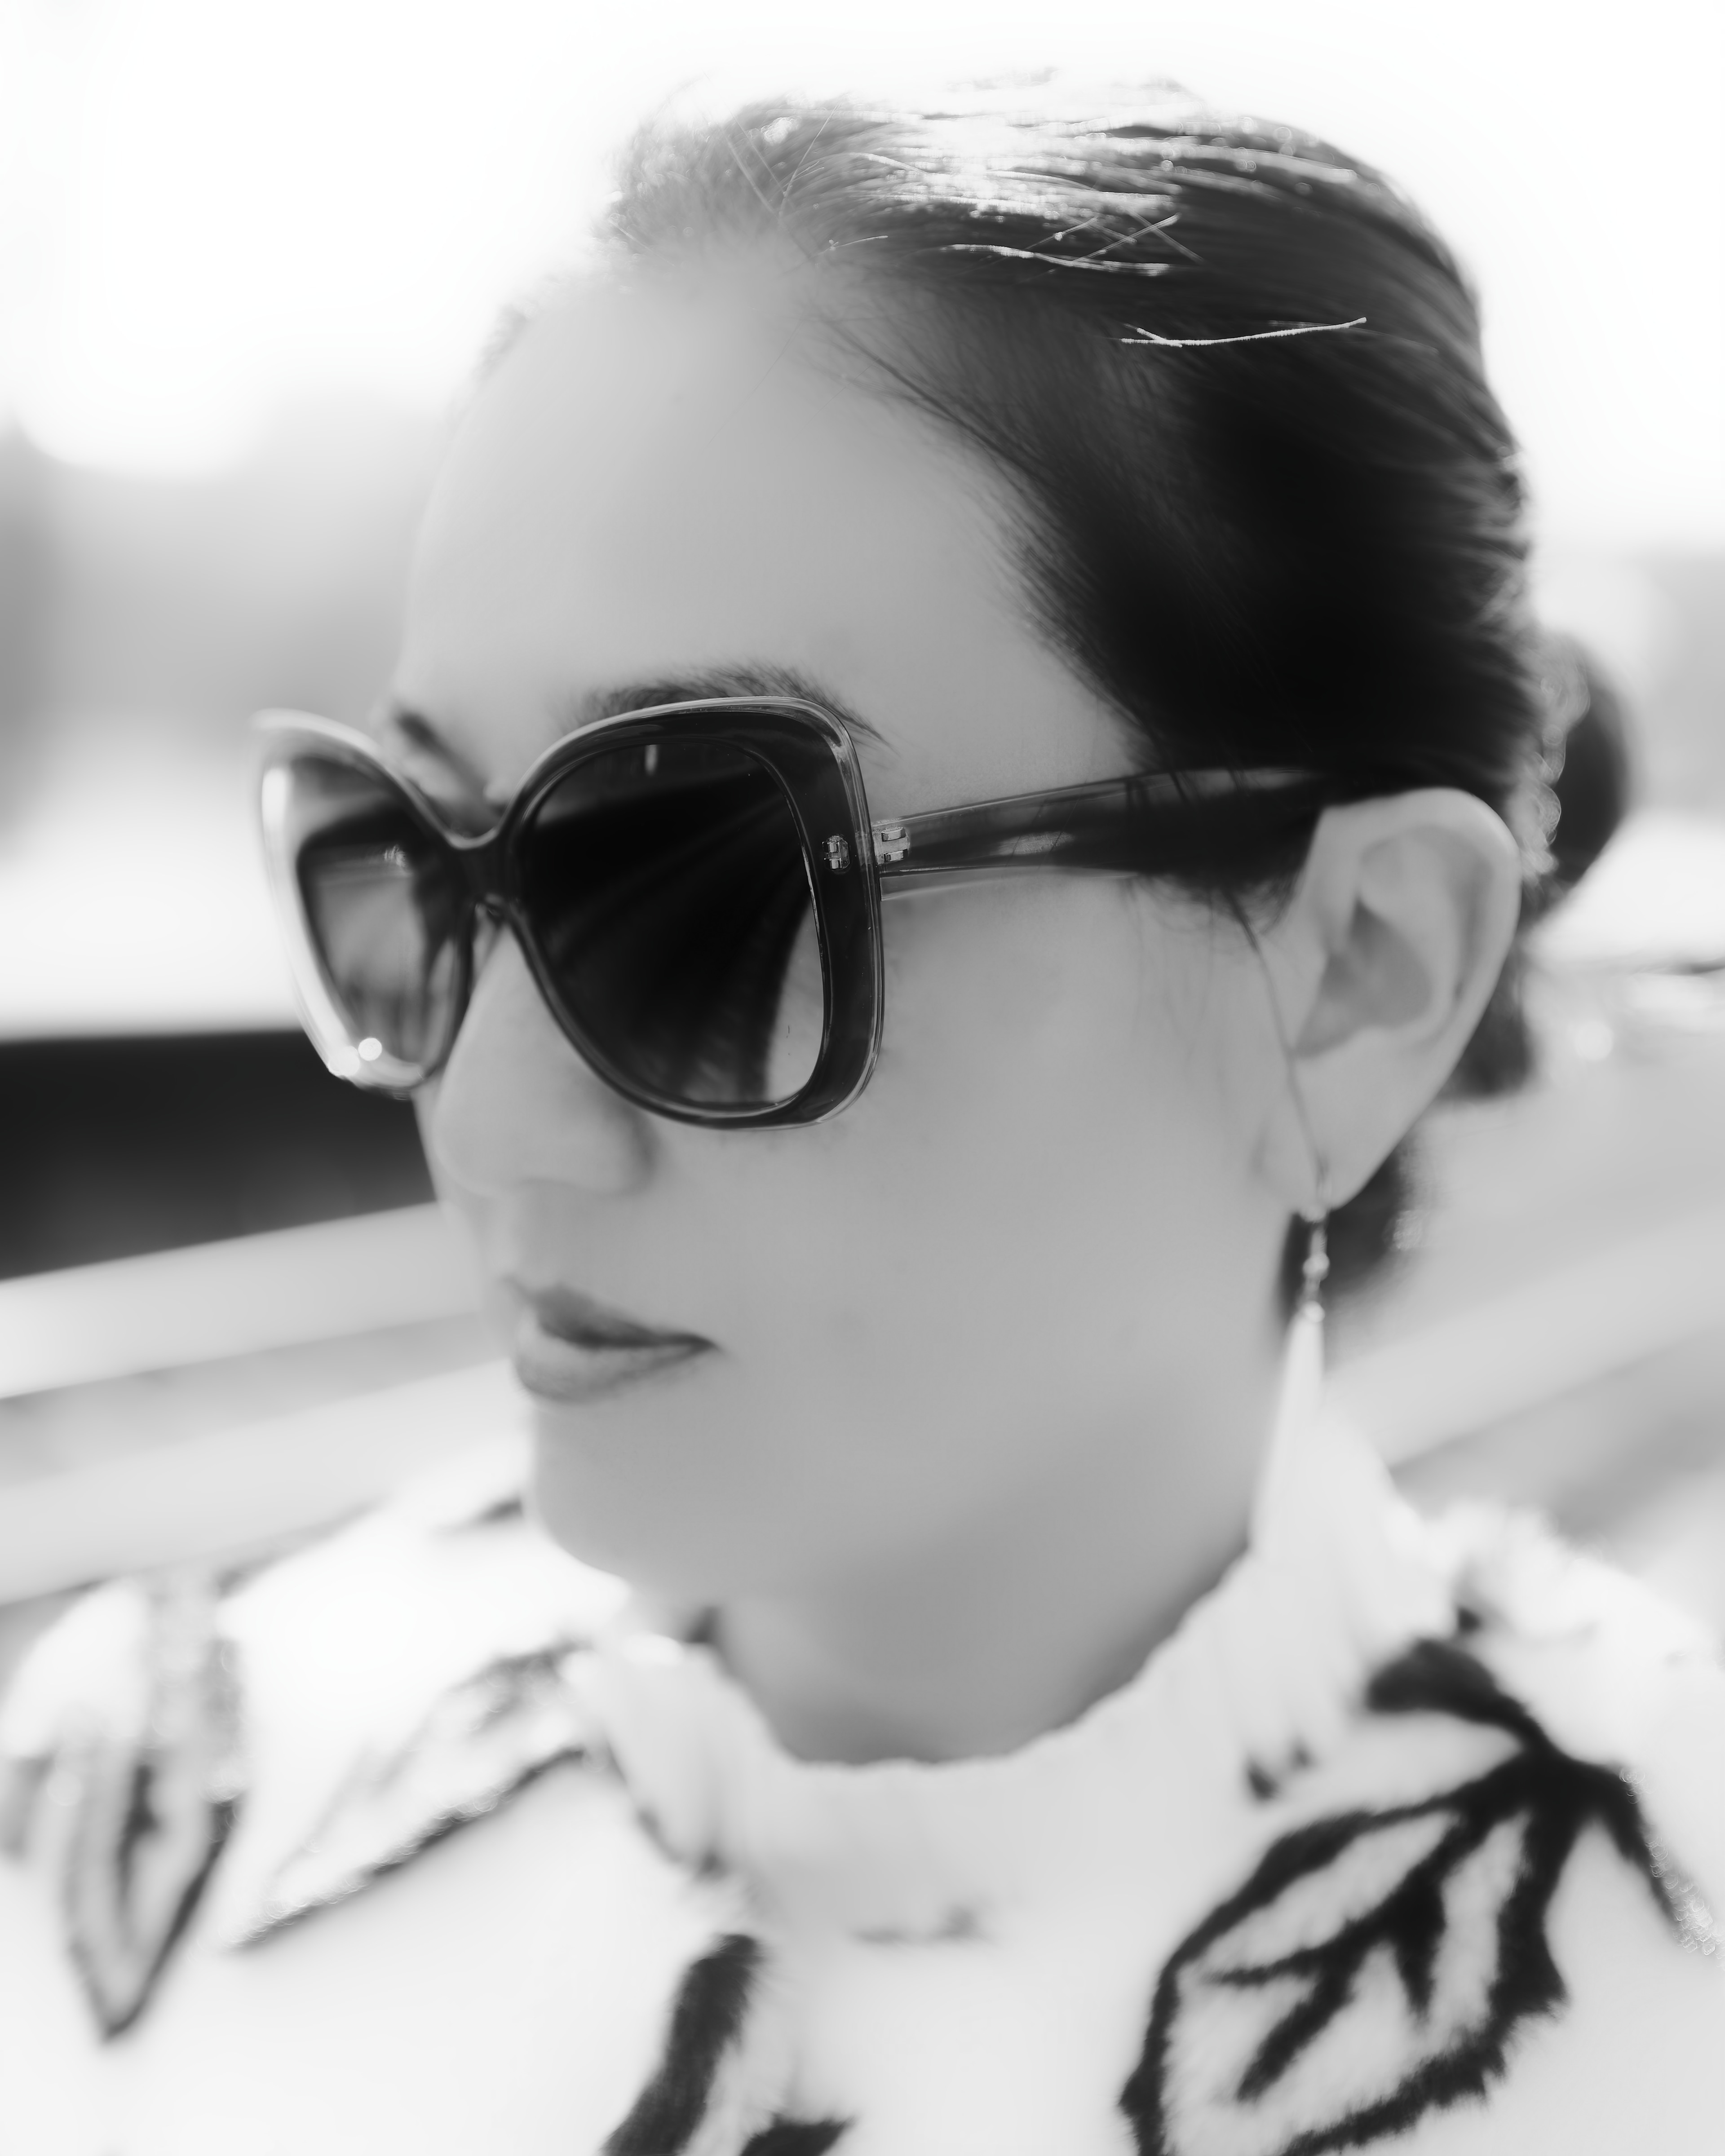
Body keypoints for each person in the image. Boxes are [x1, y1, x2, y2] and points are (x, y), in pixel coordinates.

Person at [1, 83, 1718, 2156]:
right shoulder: (134, 1819)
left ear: (1360, 971)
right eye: (417, 855)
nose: (494, 1118)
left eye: (709, 883)